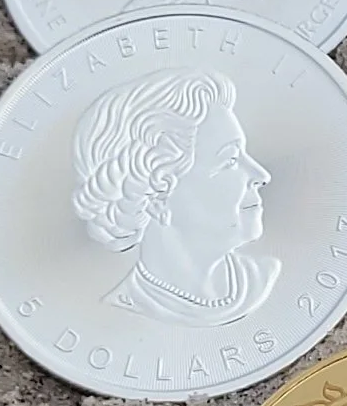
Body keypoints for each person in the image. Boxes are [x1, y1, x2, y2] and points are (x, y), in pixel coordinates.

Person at [71, 69, 276, 320]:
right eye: (230, 160)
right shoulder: (117, 313)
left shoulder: (263, 277)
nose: (261, 175)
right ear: (157, 198)